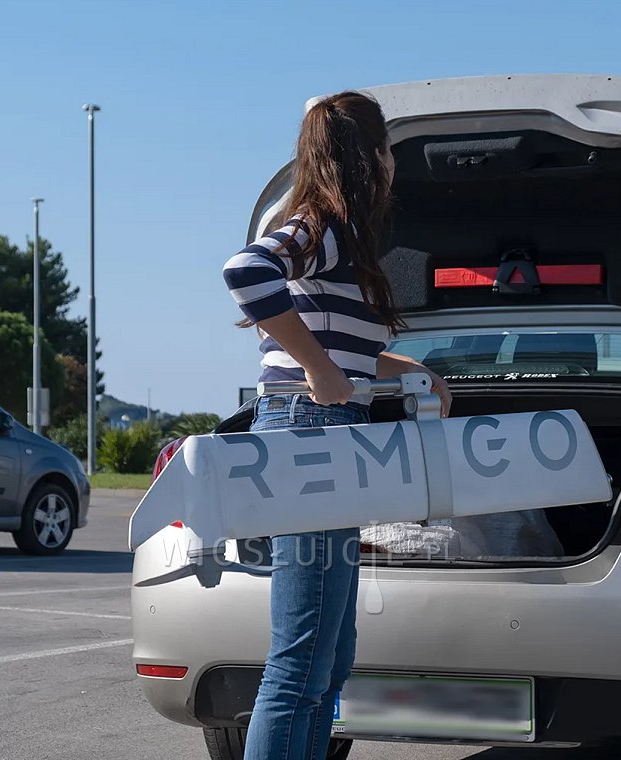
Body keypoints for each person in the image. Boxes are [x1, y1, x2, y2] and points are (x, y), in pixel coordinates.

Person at [222, 90, 451, 760]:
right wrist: (319, 369)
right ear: (370, 156)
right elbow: (245, 270)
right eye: (389, 153)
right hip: (309, 436)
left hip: (328, 438)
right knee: (300, 664)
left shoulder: (341, 236)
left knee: (330, 659)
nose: (392, 167)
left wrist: (406, 369)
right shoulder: (316, 225)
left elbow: (342, 356)